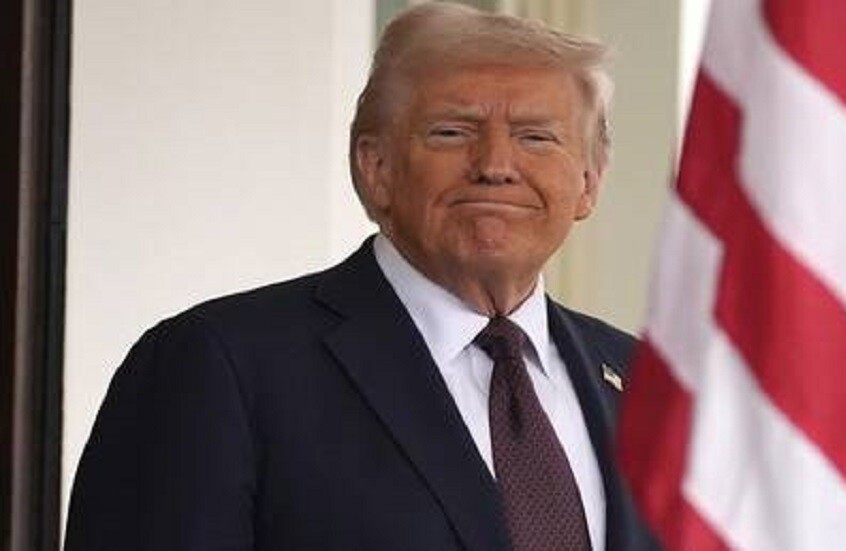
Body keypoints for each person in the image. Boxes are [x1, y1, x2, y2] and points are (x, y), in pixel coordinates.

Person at [65, 3, 660, 550]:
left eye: (536, 137)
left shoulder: (644, 383)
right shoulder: (221, 365)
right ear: (376, 168)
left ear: (589, 182)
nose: (496, 166)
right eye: (452, 132)